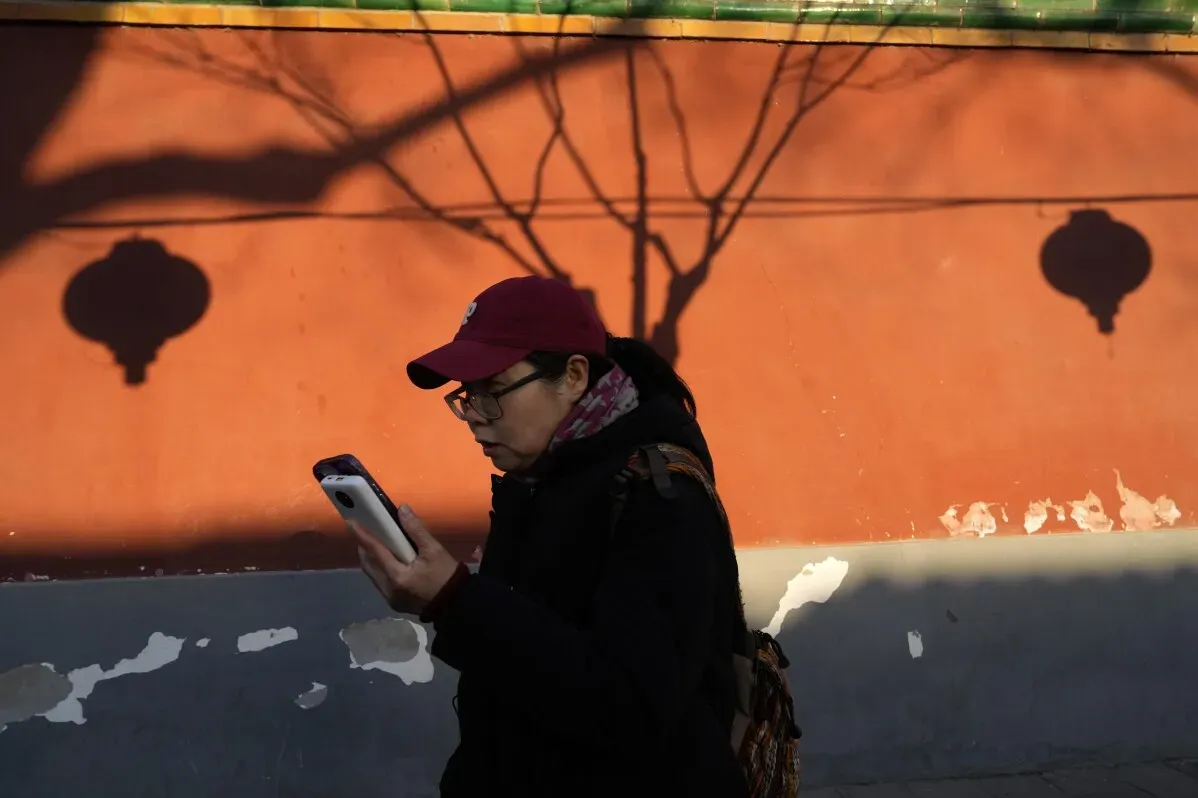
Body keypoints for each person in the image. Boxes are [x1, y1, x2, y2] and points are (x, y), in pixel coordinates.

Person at [347, 275, 749, 797]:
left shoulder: (656, 494)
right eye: (467, 396)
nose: (474, 418)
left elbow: (630, 709)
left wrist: (455, 600)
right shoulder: (536, 481)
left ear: (574, 376)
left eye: (493, 392)